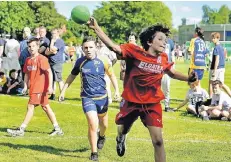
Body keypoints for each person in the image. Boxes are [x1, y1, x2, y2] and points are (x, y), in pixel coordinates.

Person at [87, 17, 197, 161]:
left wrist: (188, 78)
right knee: (123, 128)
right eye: (160, 39)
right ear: (149, 42)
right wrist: (96, 28)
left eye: (165, 39)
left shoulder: (163, 58)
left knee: (158, 141)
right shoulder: (134, 52)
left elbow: (172, 73)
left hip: (152, 104)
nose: (164, 42)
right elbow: (114, 47)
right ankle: (121, 137)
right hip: (131, 102)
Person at [58, 36, 120, 161]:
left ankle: (101, 136)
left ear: (96, 47)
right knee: (92, 123)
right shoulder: (80, 62)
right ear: (82, 49)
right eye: (85, 48)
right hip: (87, 98)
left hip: (102, 97)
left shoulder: (103, 60)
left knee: (104, 125)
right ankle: (94, 153)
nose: (88, 50)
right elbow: (72, 76)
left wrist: (117, 91)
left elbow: (112, 76)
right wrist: (63, 91)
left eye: (91, 47)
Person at [7, 38, 63, 137]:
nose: (31, 48)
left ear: (38, 47)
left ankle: (22, 129)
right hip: (33, 88)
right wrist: (25, 86)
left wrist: (50, 86)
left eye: (33, 46)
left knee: (30, 107)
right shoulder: (28, 60)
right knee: (46, 107)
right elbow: (27, 75)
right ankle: (57, 128)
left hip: (40, 88)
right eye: (29, 46)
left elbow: (49, 72)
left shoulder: (42, 59)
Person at [45, 28, 65, 100]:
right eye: (52, 34)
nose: (52, 35)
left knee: (59, 79)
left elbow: (52, 50)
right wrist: (51, 50)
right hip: (52, 61)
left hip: (57, 62)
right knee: (53, 79)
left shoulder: (59, 41)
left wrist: (52, 42)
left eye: (54, 33)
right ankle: (53, 95)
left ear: (58, 33)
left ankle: (62, 95)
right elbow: (47, 52)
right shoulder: (53, 41)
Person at [209, 32, 231, 98]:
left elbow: (217, 59)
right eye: (212, 38)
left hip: (216, 68)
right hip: (222, 68)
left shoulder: (216, 48)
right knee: (221, 84)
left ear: (218, 38)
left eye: (214, 38)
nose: (212, 39)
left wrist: (214, 71)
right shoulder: (221, 47)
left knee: (211, 83)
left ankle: (210, 99)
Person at [97, 39, 120, 103]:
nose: (100, 41)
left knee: (107, 83)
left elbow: (114, 59)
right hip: (98, 69)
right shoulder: (97, 48)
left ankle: (109, 98)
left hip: (107, 68)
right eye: (99, 40)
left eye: (101, 40)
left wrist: (111, 65)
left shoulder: (108, 49)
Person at [161, 37, 174, 112]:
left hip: (166, 67)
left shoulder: (170, 41)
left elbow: (171, 54)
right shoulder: (156, 39)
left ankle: (167, 105)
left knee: (166, 88)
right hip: (157, 66)